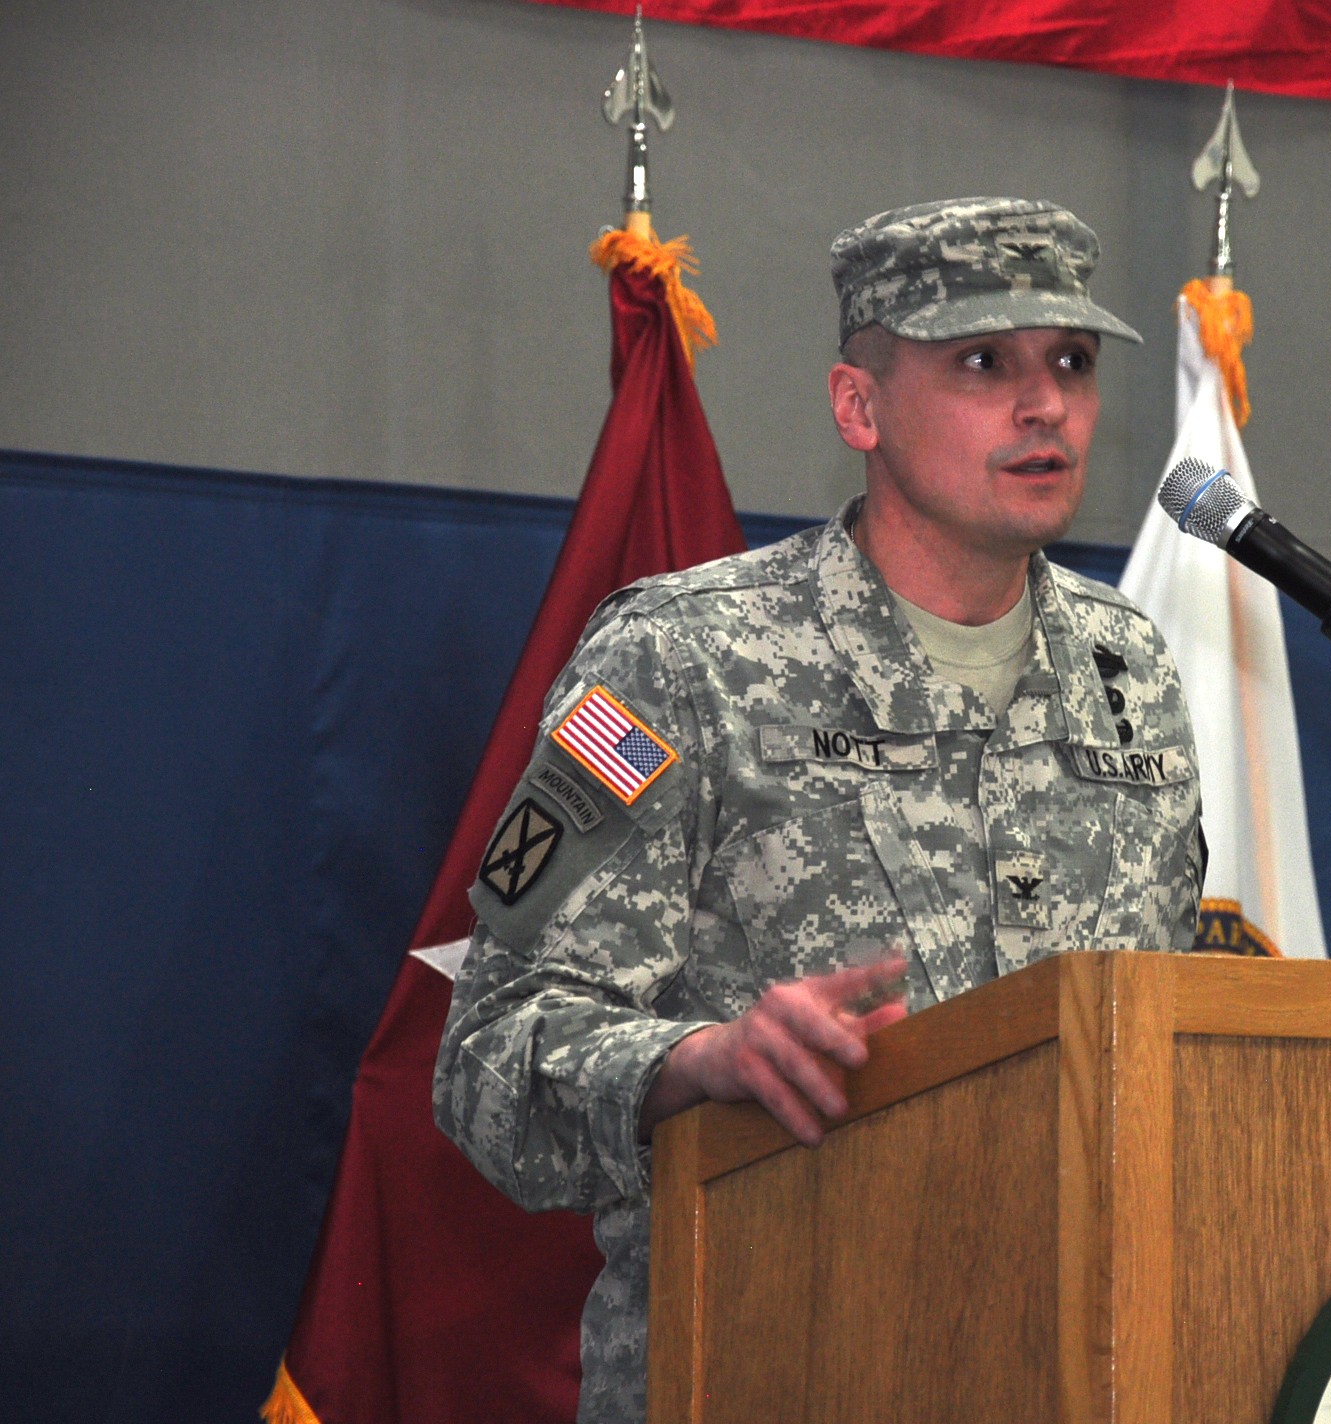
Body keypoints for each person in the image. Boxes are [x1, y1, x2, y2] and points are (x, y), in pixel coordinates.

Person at [434, 196, 1205, 1423]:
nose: (1044, 402)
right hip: (759, 1366)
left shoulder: (1131, 674)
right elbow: (487, 1055)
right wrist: (698, 1059)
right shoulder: (680, 656)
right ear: (858, 406)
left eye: (1069, 361)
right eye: (979, 363)